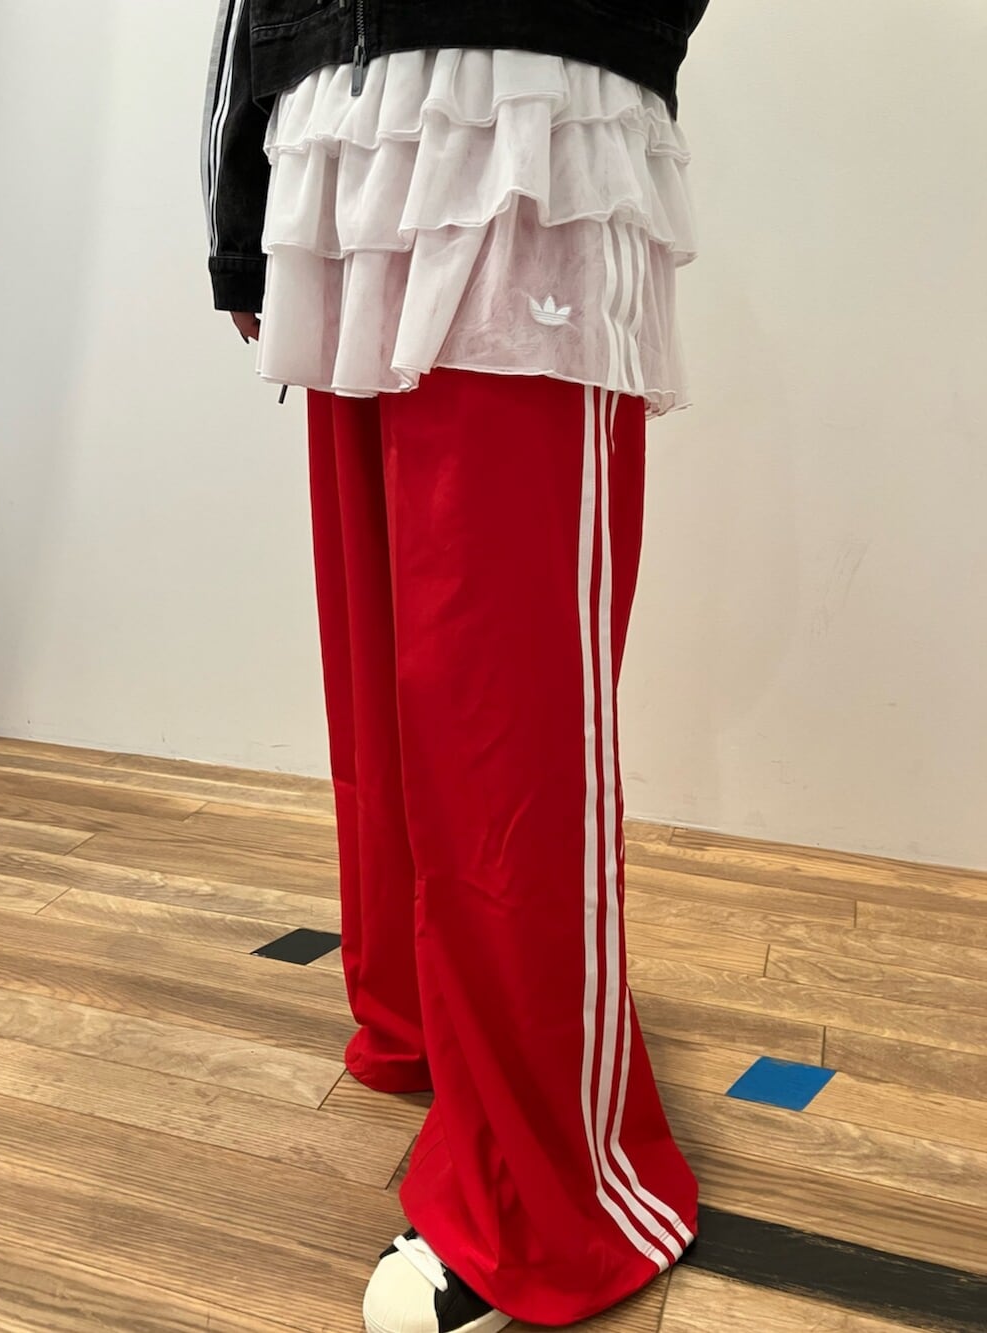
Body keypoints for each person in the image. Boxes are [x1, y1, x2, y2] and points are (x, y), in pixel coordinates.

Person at [201, 4, 711, 1331]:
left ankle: (551, 1184)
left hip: (519, 116)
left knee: (499, 699)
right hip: (340, 136)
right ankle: (426, 1021)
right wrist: (245, 207)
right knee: (389, 675)